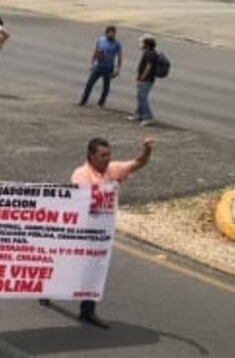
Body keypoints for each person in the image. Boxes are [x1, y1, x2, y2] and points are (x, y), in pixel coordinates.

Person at [40, 137, 156, 327]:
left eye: (108, 154)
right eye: (102, 155)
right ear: (91, 156)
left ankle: (87, 311)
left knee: (94, 269)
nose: (107, 159)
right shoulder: (81, 174)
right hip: (80, 230)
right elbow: (84, 199)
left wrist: (147, 151)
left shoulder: (113, 169)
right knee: (68, 264)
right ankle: (47, 289)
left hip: (100, 232)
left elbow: (138, 163)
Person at [80, 26, 123, 108]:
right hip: (98, 66)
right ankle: (83, 100)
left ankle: (101, 102)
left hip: (108, 68)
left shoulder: (117, 44)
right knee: (89, 84)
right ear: (106, 33)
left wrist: (118, 68)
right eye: (109, 33)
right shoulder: (100, 40)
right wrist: (92, 63)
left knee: (106, 86)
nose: (111, 34)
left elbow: (119, 56)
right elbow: (96, 51)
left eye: (113, 33)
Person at [129, 35, 159, 126]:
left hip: (146, 80)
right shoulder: (149, 52)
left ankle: (148, 117)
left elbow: (148, 67)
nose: (140, 44)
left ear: (147, 44)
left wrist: (142, 78)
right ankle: (138, 114)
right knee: (140, 97)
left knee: (142, 98)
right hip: (146, 79)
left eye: (142, 43)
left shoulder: (150, 53)